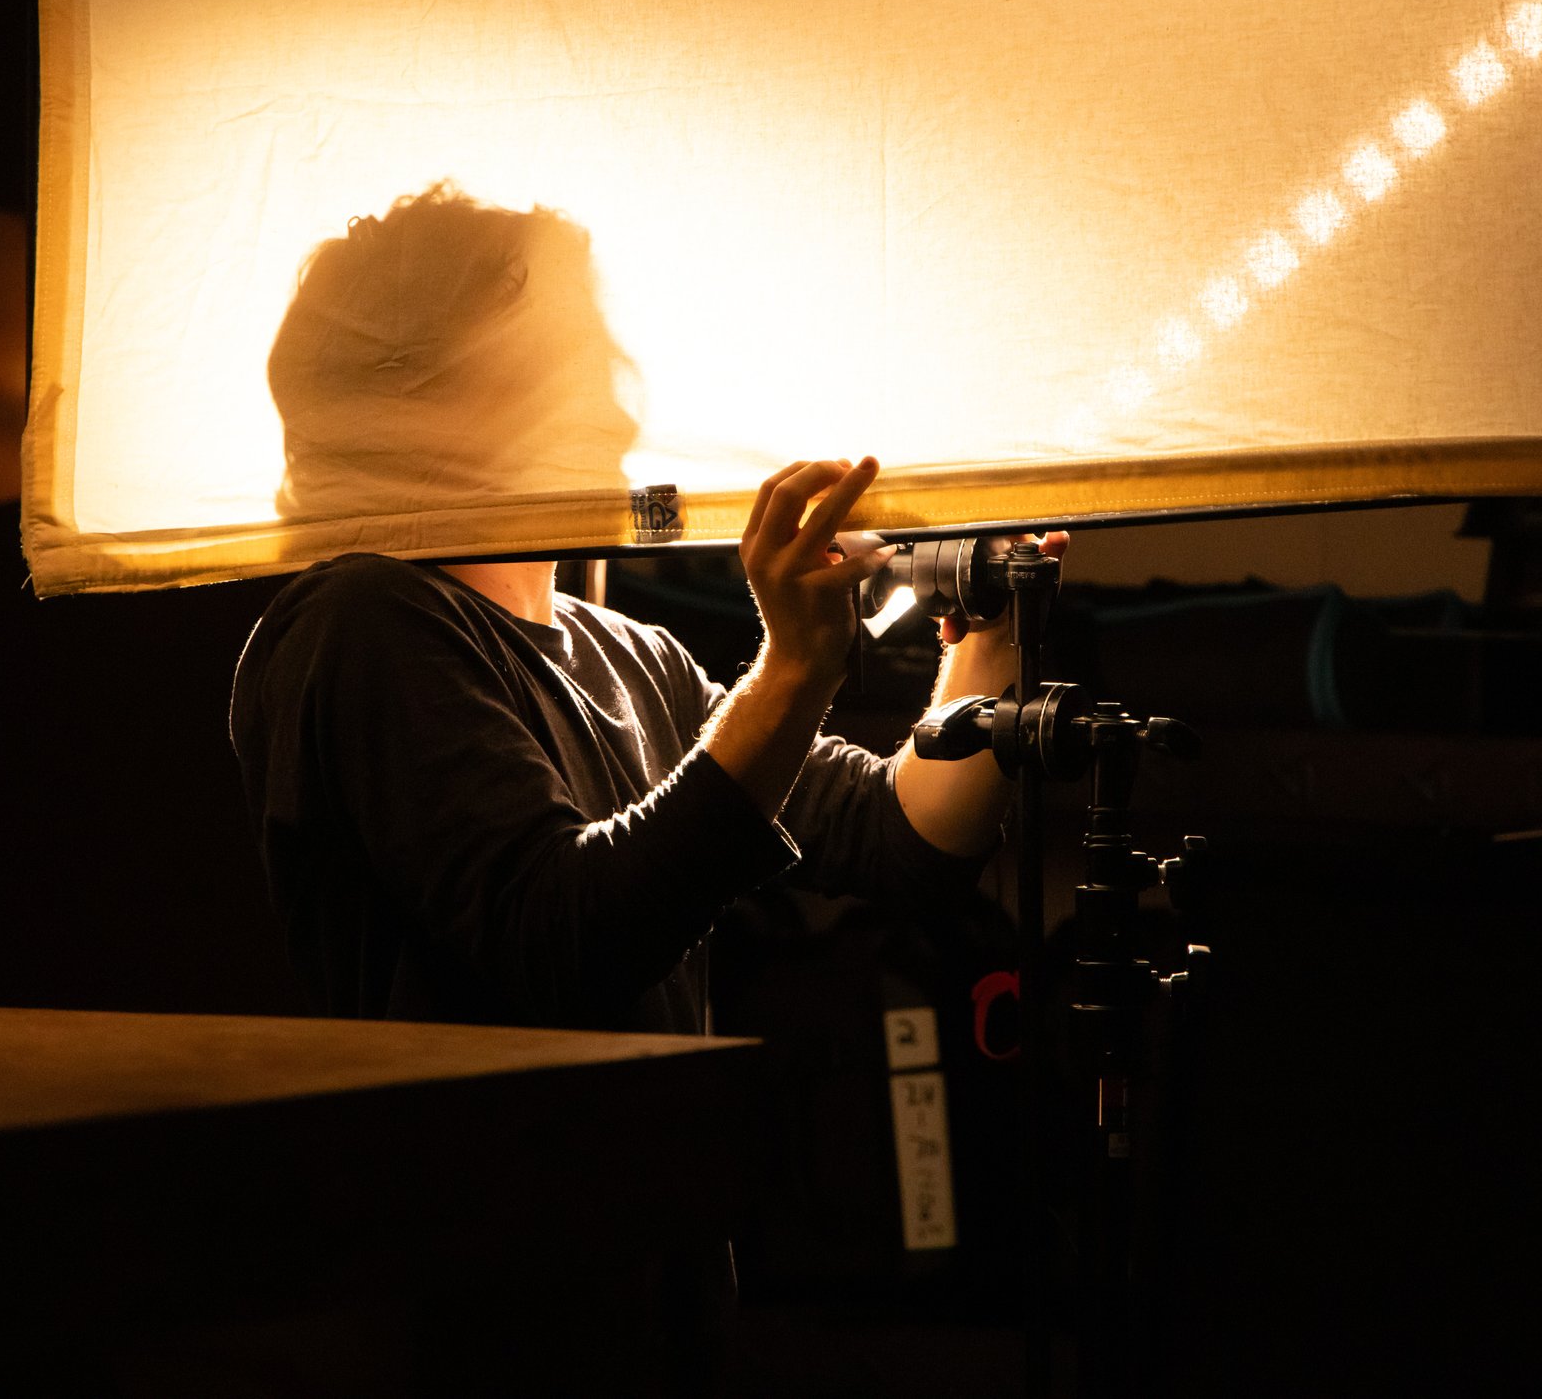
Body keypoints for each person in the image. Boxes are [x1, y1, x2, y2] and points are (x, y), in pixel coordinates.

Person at [229, 185, 1052, 1390]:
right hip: (482, 1317)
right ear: (448, 395)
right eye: (571, 360)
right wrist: (792, 668)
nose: (621, 405)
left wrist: (985, 620)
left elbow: (907, 838)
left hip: (658, 1298)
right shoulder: (363, 624)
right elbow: (563, 934)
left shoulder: (625, 652)